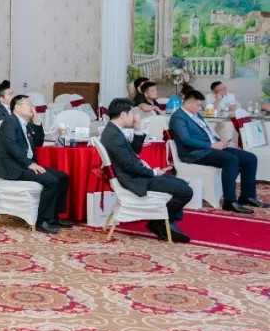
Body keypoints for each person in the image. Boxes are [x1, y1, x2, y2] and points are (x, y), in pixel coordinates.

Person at [102, 98, 192, 242]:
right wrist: (153, 172)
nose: (135, 116)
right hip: (133, 180)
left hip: (134, 176)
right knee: (185, 191)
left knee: (181, 183)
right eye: (132, 113)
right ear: (123, 115)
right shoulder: (113, 136)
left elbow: (133, 152)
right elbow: (129, 165)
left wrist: (138, 129)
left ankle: (162, 222)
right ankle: (160, 223)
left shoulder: (113, 131)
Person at [169, 89, 264, 213]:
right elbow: (186, 140)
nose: (200, 108)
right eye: (198, 105)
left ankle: (247, 196)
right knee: (231, 160)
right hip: (194, 153)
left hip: (210, 147)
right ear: (189, 102)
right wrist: (211, 145)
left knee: (250, 158)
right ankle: (229, 201)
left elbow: (207, 132)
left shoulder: (195, 114)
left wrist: (222, 142)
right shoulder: (178, 117)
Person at [0, 94, 70, 233]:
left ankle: (54, 217)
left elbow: (38, 143)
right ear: (17, 107)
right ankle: (42, 221)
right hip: (14, 168)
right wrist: (29, 164)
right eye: (28, 104)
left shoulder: (26, 124)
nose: (32, 107)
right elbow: (11, 146)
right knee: (51, 181)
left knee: (63, 177)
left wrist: (37, 123)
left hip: (25, 165)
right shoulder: (9, 122)